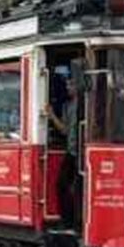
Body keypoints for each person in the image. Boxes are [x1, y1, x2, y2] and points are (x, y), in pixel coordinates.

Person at [46, 70, 82, 228]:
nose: (68, 87)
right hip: (72, 151)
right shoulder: (68, 106)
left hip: (81, 152)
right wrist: (52, 115)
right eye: (67, 84)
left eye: (71, 84)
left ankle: (74, 222)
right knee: (62, 185)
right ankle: (67, 221)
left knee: (74, 187)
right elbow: (65, 130)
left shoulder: (86, 104)